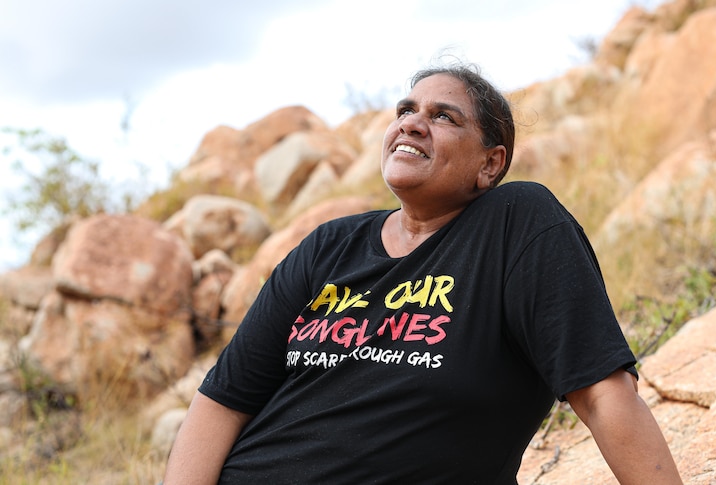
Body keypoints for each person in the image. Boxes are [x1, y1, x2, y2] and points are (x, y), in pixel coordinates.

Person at [163, 63, 682, 484]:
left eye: (444, 117)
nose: (411, 123)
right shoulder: (330, 245)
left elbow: (602, 392)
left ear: (490, 164)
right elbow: (222, 402)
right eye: (406, 110)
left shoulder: (516, 223)